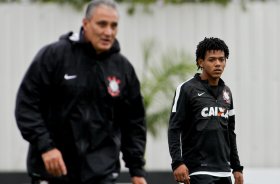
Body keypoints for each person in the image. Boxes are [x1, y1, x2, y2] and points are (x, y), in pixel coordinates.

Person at [15, 1, 147, 184]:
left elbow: (134, 122)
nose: (108, 32)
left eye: (113, 25)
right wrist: (46, 147)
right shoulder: (54, 56)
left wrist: (137, 171)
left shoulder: (123, 68)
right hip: (53, 171)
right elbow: (26, 105)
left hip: (101, 174)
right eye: (102, 24)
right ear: (85, 23)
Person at [167, 37, 244, 184]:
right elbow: (174, 129)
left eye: (222, 59)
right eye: (212, 59)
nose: (218, 64)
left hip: (223, 171)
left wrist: (237, 167)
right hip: (197, 171)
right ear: (200, 62)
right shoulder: (186, 89)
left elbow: (230, 133)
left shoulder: (227, 92)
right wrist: (177, 162)